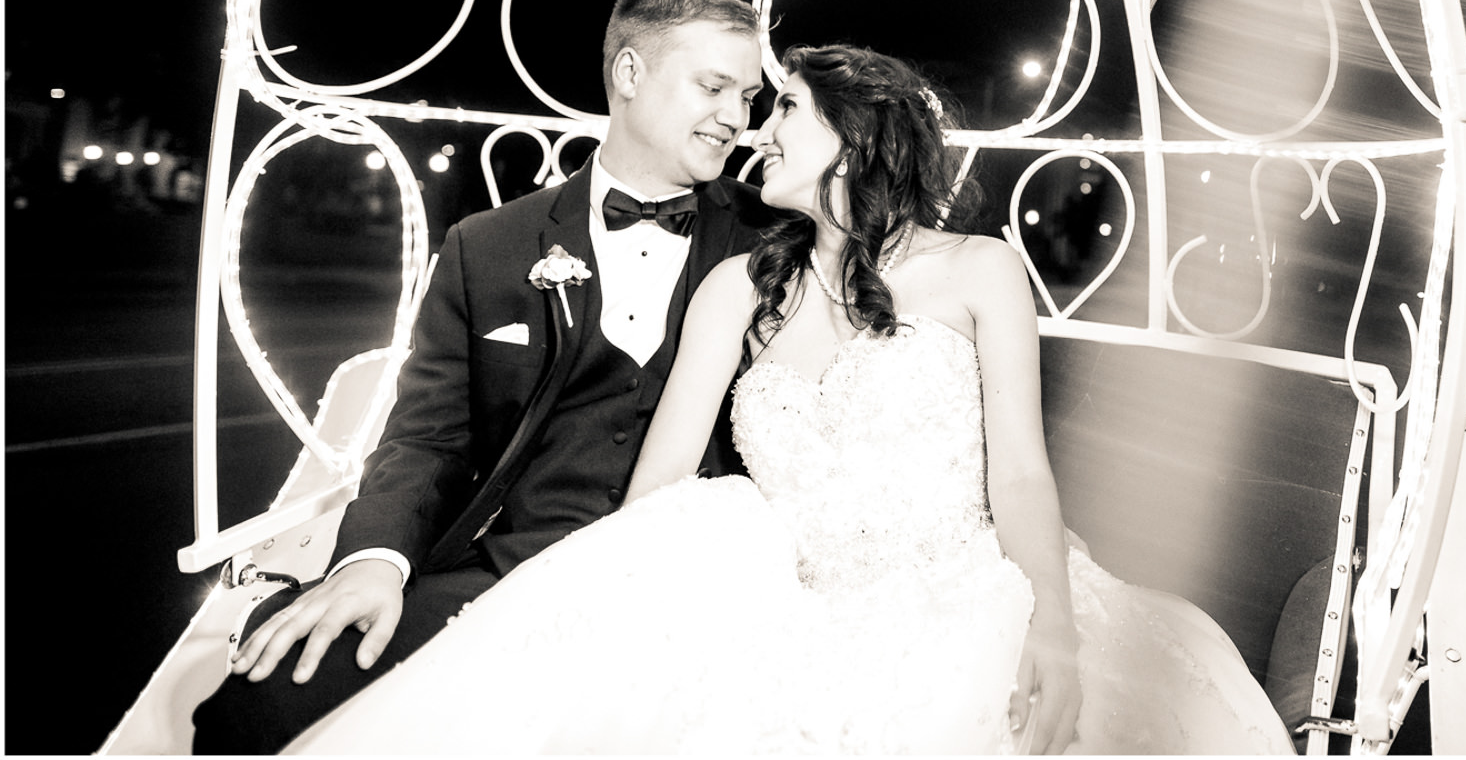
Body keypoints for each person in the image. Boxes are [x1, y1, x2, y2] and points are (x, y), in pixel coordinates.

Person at [282, 45, 1283, 753]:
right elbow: (660, 485)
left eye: (786, 108)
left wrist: (1052, 630)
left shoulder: (980, 270)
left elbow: (1021, 471)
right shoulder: (740, 288)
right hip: (785, 604)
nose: (758, 128)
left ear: (858, 130)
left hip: (963, 596)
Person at [199, 0, 777, 752]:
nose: (737, 118)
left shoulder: (774, 237)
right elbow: (427, 438)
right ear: (630, 74)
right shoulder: (488, 244)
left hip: (698, 586)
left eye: (749, 95)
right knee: (262, 688)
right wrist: (376, 560)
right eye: (714, 86)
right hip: (514, 571)